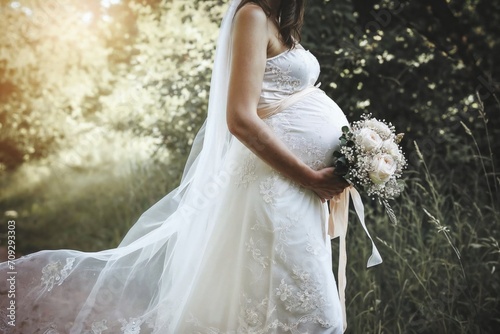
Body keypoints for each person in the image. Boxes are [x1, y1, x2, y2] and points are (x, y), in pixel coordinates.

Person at [0, 0, 381, 333]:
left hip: (297, 190)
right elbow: (240, 118)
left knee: (288, 310)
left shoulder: (280, 22)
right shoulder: (252, 15)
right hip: (277, 186)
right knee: (310, 314)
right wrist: (310, 175)